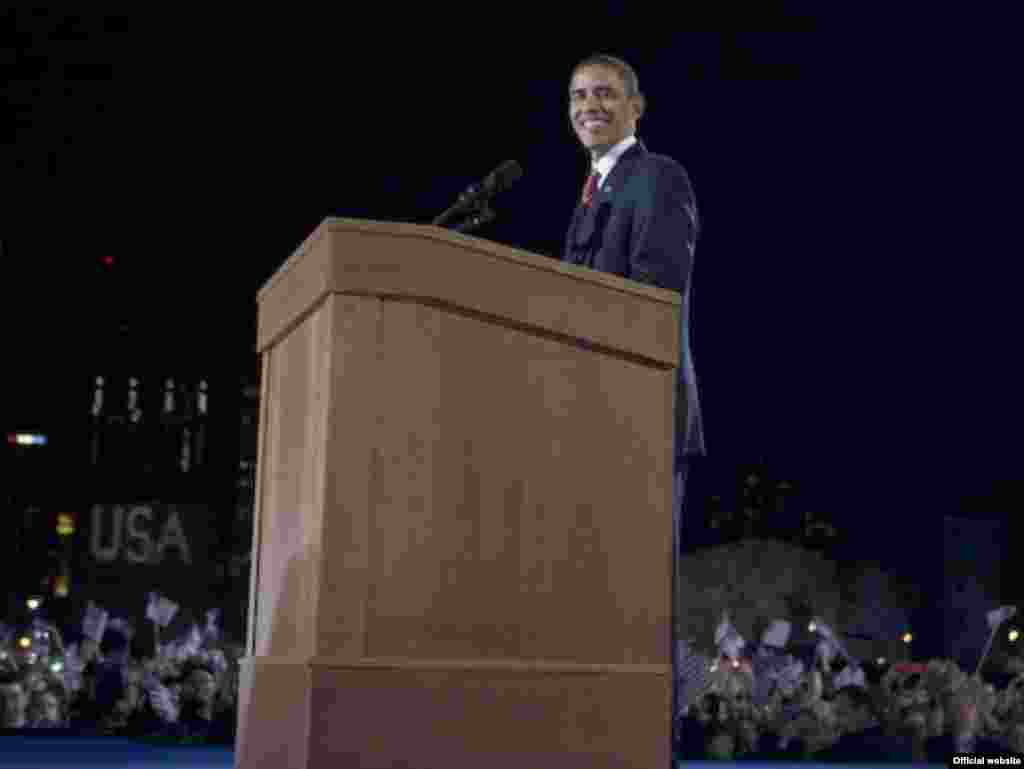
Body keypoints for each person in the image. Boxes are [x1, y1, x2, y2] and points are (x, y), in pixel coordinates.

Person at [562, 52, 706, 763]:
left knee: (640, 605)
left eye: (606, 93)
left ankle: (649, 749)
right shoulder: (590, 193)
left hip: (640, 416)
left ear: (636, 107)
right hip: (589, 420)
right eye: (580, 95)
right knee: (591, 600)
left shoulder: (658, 177)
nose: (591, 104)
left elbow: (653, 295)